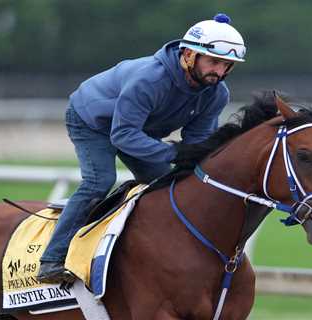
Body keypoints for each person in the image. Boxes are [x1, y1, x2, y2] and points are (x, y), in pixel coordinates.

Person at [37, 13, 247, 283]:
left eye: (227, 65)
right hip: (92, 121)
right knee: (100, 180)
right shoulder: (150, 79)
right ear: (188, 55)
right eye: (214, 62)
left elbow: (197, 142)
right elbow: (122, 135)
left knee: (167, 184)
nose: (219, 72)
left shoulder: (217, 93)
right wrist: (174, 153)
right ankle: (52, 258)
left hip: (136, 128)